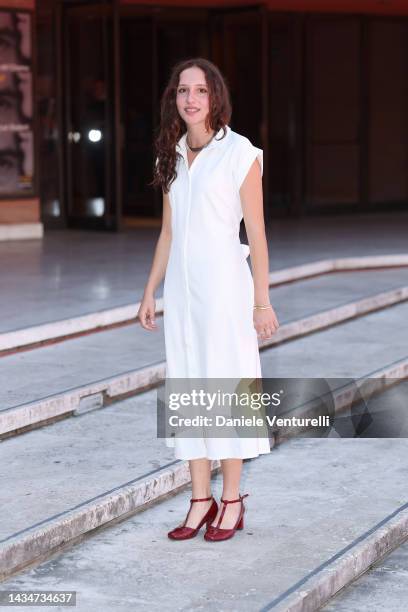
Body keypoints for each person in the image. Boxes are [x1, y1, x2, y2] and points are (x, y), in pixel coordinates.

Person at [138, 57, 279, 542]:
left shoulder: (241, 153)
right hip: (182, 290)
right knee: (189, 389)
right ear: (174, 100)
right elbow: (167, 233)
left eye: (200, 90)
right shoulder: (171, 155)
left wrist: (261, 301)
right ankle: (200, 499)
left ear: (215, 97)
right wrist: (150, 290)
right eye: (182, 91)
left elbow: (256, 233)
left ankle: (233, 499)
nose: (191, 99)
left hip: (224, 290)